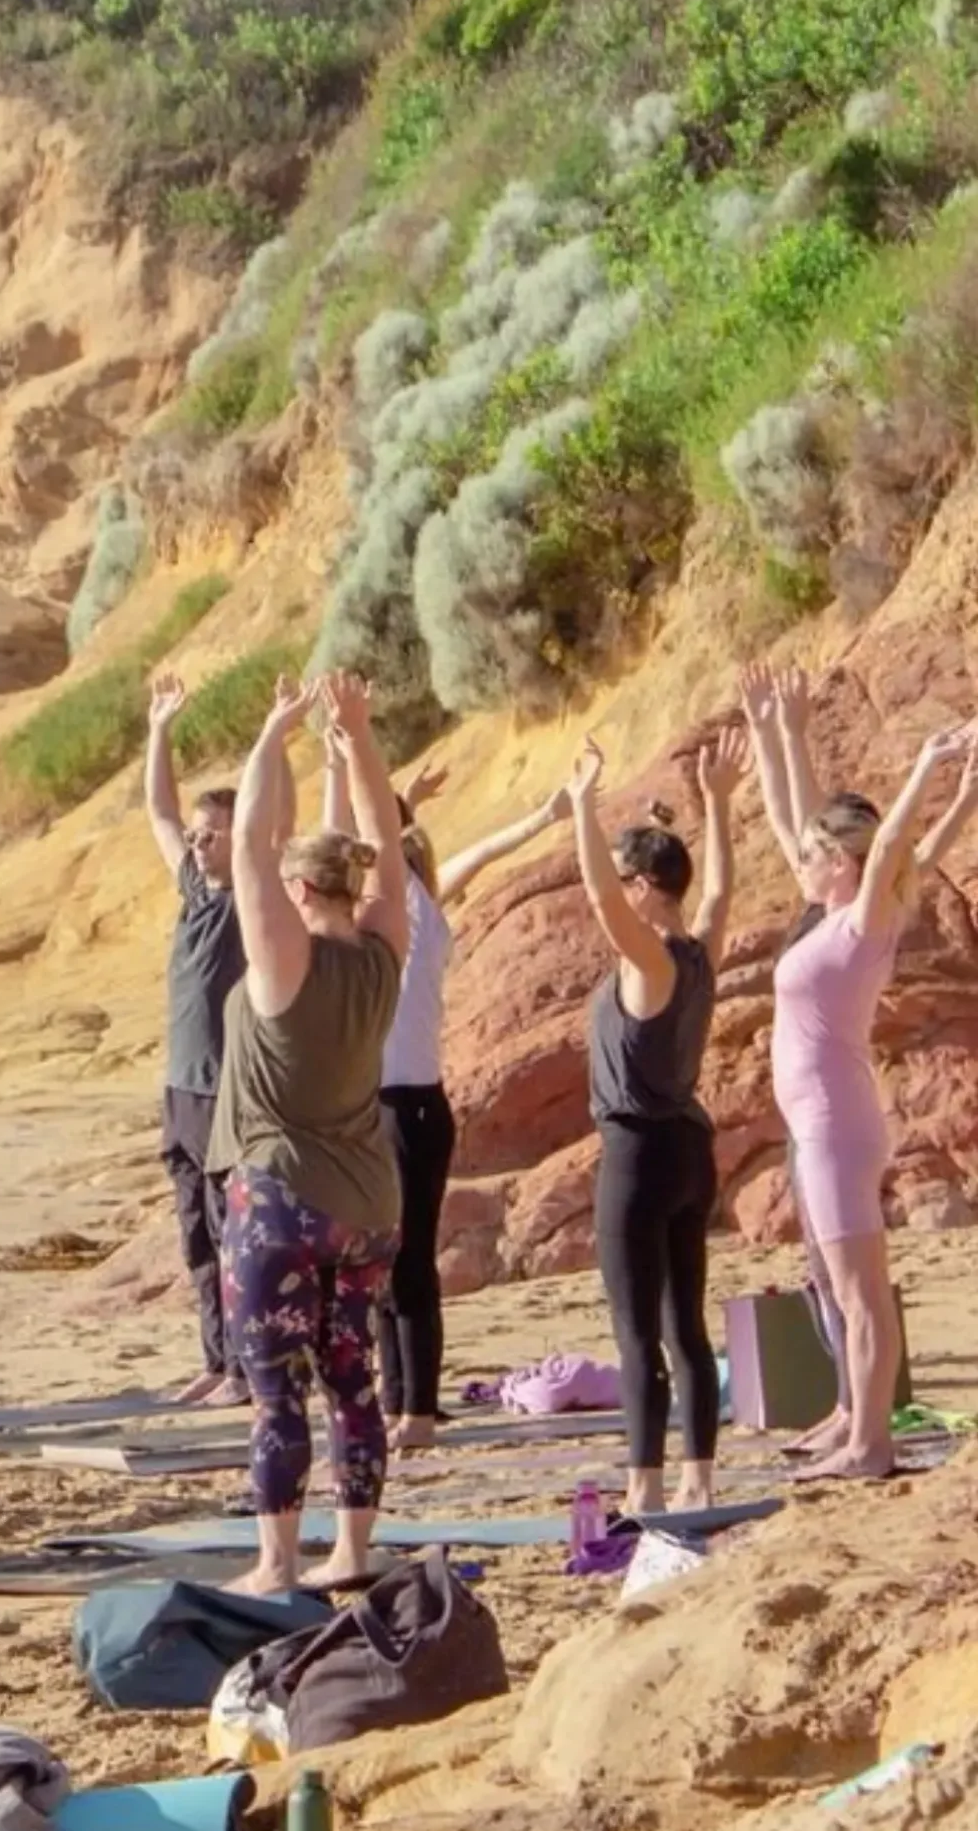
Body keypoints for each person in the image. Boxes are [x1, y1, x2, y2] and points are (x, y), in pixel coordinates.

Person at [736, 662, 978, 1478]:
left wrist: (929, 763)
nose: (799, 859)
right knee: (844, 1290)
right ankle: (856, 1423)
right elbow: (794, 814)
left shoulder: (863, 919)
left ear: (841, 863)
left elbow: (896, 847)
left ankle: (871, 1444)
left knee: (861, 1293)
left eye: (814, 854)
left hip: (838, 1128)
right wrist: (778, 730)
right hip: (823, 1126)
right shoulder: (832, 920)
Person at [212, 670, 408, 1596]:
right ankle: (356, 1549)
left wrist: (274, 730)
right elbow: (391, 848)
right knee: (352, 1374)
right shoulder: (381, 951)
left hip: (281, 1195)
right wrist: (358, 738)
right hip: (369, 1199)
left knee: (274, 1386)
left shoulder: (283, 958)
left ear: (300, 888)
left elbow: (247, 840)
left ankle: (279, 1559)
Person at [322, 752, 572, 1450]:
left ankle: (419, 1411)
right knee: (382, 1262)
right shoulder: (412, 904)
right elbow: (478, 848)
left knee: (407, 1262)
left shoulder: (406, 909)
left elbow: (369, 840)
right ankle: (399, 1401)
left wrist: (349, 768)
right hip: (390, 1106)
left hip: (409, 1108)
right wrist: (542, 816)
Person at [571, 733, 739, 1516]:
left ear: (643, 884)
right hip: (690, 1149)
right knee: (688, 1330)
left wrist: (579, 806)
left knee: (639, 1333)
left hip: (638, 1156)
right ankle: (700, 1477)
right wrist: (723, 807)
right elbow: (719, 892)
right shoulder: (700, 949)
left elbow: (605, 904)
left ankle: (645, 1485)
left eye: (623, 874)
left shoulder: (651, 958)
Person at [143, 674, 247, 1406]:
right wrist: (159, 731)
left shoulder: (251, 896)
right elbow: (158, 811)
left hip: (220, 1089)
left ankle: (245, 1367)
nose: (199, 841)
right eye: (201, 833)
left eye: (213, 834)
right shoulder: (193, 888)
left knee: (228, 1225)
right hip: (180, 1086)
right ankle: (216, 1356)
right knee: (194, 1235)